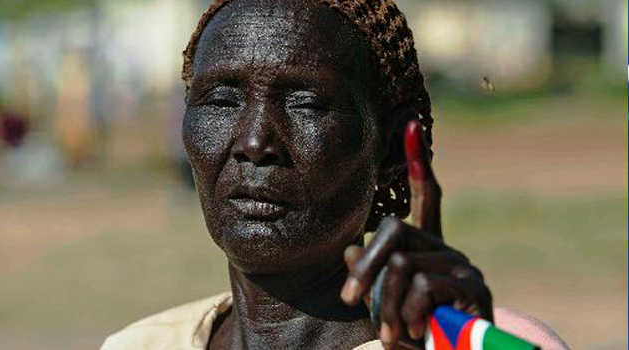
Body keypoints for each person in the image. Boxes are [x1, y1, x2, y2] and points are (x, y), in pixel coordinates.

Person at [101, 0, 571, 349]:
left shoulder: (483, 341)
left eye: (305, 103)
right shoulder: (143, 343)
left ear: (390, 148)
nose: (254, 143)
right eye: (221, 101)